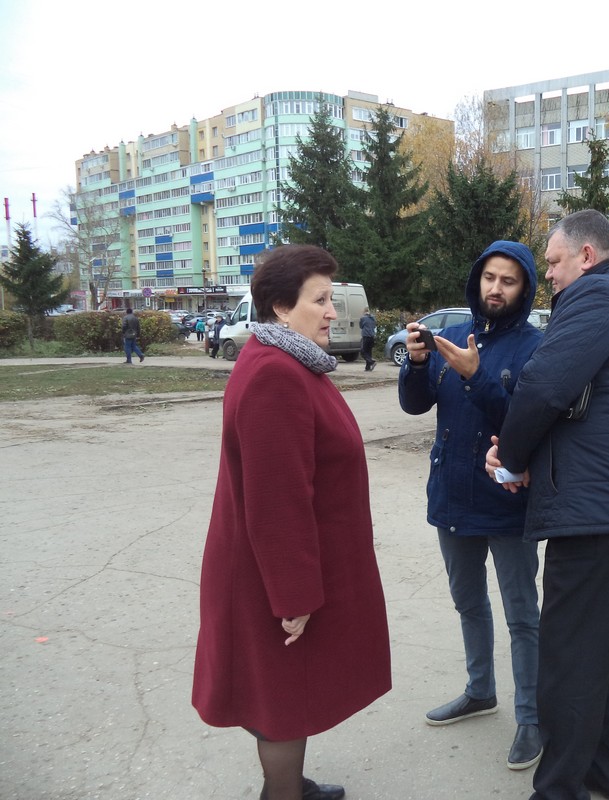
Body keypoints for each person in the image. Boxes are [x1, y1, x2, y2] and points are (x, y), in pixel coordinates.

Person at [192, 244, 391, 800]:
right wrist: (294, 597)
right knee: (280, 700)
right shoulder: (277, 375)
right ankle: (282, 794)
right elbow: (277, 500)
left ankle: (291, 786)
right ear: (281, 307)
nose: (333, 310)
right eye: (321, 299)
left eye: (332, 298)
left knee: (289, 693)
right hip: (272, 579)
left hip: (276, 571)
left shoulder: (286, 362)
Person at [486, 210, 609, 800]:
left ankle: (559, 789)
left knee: (566, 664)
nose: (550, 275)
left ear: (586, 256)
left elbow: (543, 387)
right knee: (606, 659)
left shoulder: (595, 299)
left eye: (555, 262)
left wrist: (511, 458)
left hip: (598, 515)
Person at [398, 241, 544, 770]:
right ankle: (480, 691)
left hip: (507, 502)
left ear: (523, 290)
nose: (495, 289)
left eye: (508, 281)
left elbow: (523, 426)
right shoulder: (456, 336)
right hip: (453, 498)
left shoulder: (534, 347)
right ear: (476, 282)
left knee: (522, 616)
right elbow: (416, 405)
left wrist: (476, 375)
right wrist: (417, 365)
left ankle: (531, 717)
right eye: (489, 278)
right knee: (468, 604)